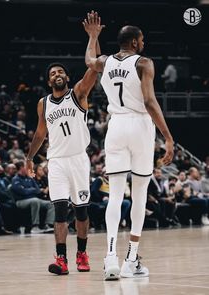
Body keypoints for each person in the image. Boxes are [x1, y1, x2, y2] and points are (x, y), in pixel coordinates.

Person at [83, 11, 174, 279]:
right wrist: (167, 136)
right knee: (140, 193)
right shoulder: (144, 63)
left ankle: (110, 256)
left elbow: (89, 60)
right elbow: (149, 101)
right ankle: (130, 260)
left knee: (115, 195)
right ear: (134, 42)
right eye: (141, 39)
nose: (143, 43)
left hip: (116, 126)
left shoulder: (105, 61)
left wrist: (92, 36)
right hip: (139, 126)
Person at [25, 14, 102, 275]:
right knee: (59, 210)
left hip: (78, 159)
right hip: (56, 161)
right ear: (49, 81)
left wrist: (93, 37)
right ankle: (61, 259)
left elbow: (95, 67)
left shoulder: (78, 93)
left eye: (60, 72)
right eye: (52, 73)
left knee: (81, 212)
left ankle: (82, 253)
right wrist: (29, 158)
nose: (57, 74)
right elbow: (39, 134)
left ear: (67, 77)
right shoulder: (43, 103)